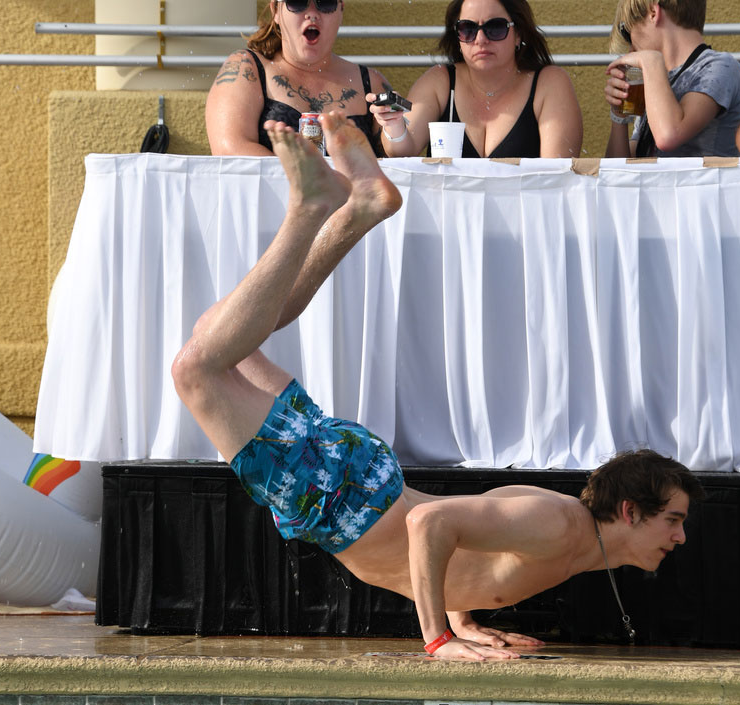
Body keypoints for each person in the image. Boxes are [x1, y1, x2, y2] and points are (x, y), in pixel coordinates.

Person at [172, 114, 701, 661]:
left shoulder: (563, 527)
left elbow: (464, 534)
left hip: (359, 487)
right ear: (631, 511)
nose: (681, 537)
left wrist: (463, 614)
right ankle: (311, 211)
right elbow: (429, 522)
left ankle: (360, 210)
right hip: (344, 503)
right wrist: (439, 638)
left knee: (221, 333)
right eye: (673, 520)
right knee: (198, 367)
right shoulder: (560, 526)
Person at [205, 0, 389, 156]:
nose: (312, 13)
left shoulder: (371, 83)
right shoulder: (247, 69)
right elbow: (230, 149)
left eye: (325, 2)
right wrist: (308, 174)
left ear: (341, 10)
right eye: (297, 1)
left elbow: (397, 158)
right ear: (276, 11)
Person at [367, 0, 583, 160]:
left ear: (518, 34)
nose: (480, 39)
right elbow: (403, 151)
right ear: (457, 38)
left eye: (495, 28)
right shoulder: (440, 80)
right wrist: (394, 124)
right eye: (467, 29)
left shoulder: (549, 83)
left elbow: (557, 175)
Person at [605, 0, 740, 158]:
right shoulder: (657, 80)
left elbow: (669, 136)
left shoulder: (721, 67)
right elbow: (618, 170)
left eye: (628, 33)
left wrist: (651, 61)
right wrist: (619, 116)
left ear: (653, 13)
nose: (631, 49)